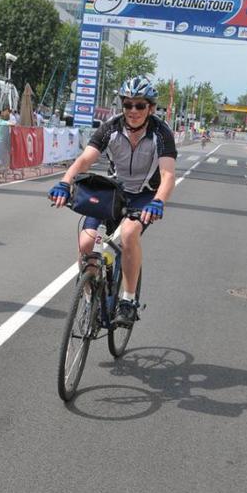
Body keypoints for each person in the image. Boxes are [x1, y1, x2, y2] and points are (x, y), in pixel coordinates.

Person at [48, 75, 176, 328]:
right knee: (86, 243)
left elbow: (168, 175)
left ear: (150, 108)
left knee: (128, 233)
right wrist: (65, 183)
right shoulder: (111, 128)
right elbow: (84, 160)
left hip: (145, 195)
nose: (133, 110)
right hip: (115, 191)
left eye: (140, 105)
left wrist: (158, 201)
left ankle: (128, 300)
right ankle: (90, 300)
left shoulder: (161, 133)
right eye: (128, 104)